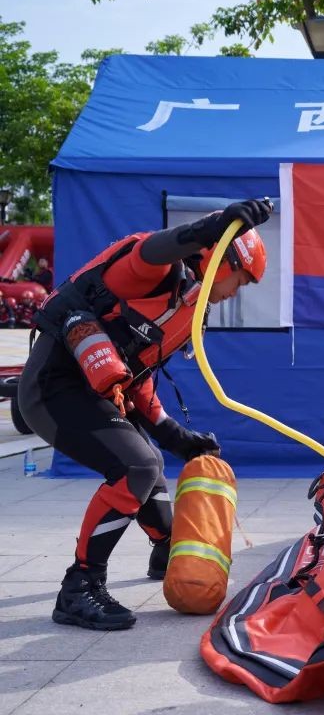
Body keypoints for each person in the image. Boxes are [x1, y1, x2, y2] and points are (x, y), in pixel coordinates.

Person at [19, 199, 272, 631]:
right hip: (53, 385)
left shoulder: (188, 310)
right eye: (241, 280)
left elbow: (137, 374)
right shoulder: (155, 270)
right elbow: (155, 248)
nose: (236, 292)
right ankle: (80, 586)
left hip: (95, 391)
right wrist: (212, 226)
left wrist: (173, 433)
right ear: (219, 259)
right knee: (136, 466)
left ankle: (167, 551)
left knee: (148, 462)